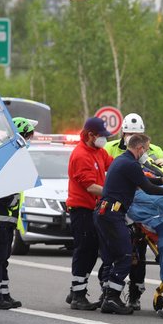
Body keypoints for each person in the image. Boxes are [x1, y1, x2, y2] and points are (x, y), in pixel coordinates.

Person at [94, 133, 163, 314]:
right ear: (139, 148)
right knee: (126, 256)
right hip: (112, 213)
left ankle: (109, 296)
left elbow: (142, 179)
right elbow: (148, 188)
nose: (147, 153)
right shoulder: (130, 164)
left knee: (116, 256)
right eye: (146, 149)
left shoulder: (123, 161)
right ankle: (111, 298)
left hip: (106, 212)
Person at [103, 112, 163, 310]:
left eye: (135, 133)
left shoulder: (151, 151)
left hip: (137, 211)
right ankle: (109, 295)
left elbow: (151, 176)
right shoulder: (115, 151)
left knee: (136, 256)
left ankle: (131, 295)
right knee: (119, 255)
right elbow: (144, 183)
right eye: (128, 133)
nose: (130, 136)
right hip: (118, 211)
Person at [0, 117, 36, 310]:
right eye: (29, 136)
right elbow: (0, 184)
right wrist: (8, 199)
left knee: (3, 256)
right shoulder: (4, 156)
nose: (30, 140)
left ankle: (3, 293)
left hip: (8, 217)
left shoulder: (14, 155)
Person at [65, 116, 115, 311]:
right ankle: (78, 295)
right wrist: (113, 193)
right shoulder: (80, 155)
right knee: (84, 250)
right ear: (91, 135)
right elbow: (90, 187)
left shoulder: (98, 152)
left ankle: (76, 290)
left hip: (93, 209)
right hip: (82, 210)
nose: (104, 139)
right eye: (101, 136)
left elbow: (113, 166)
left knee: (91, 250)